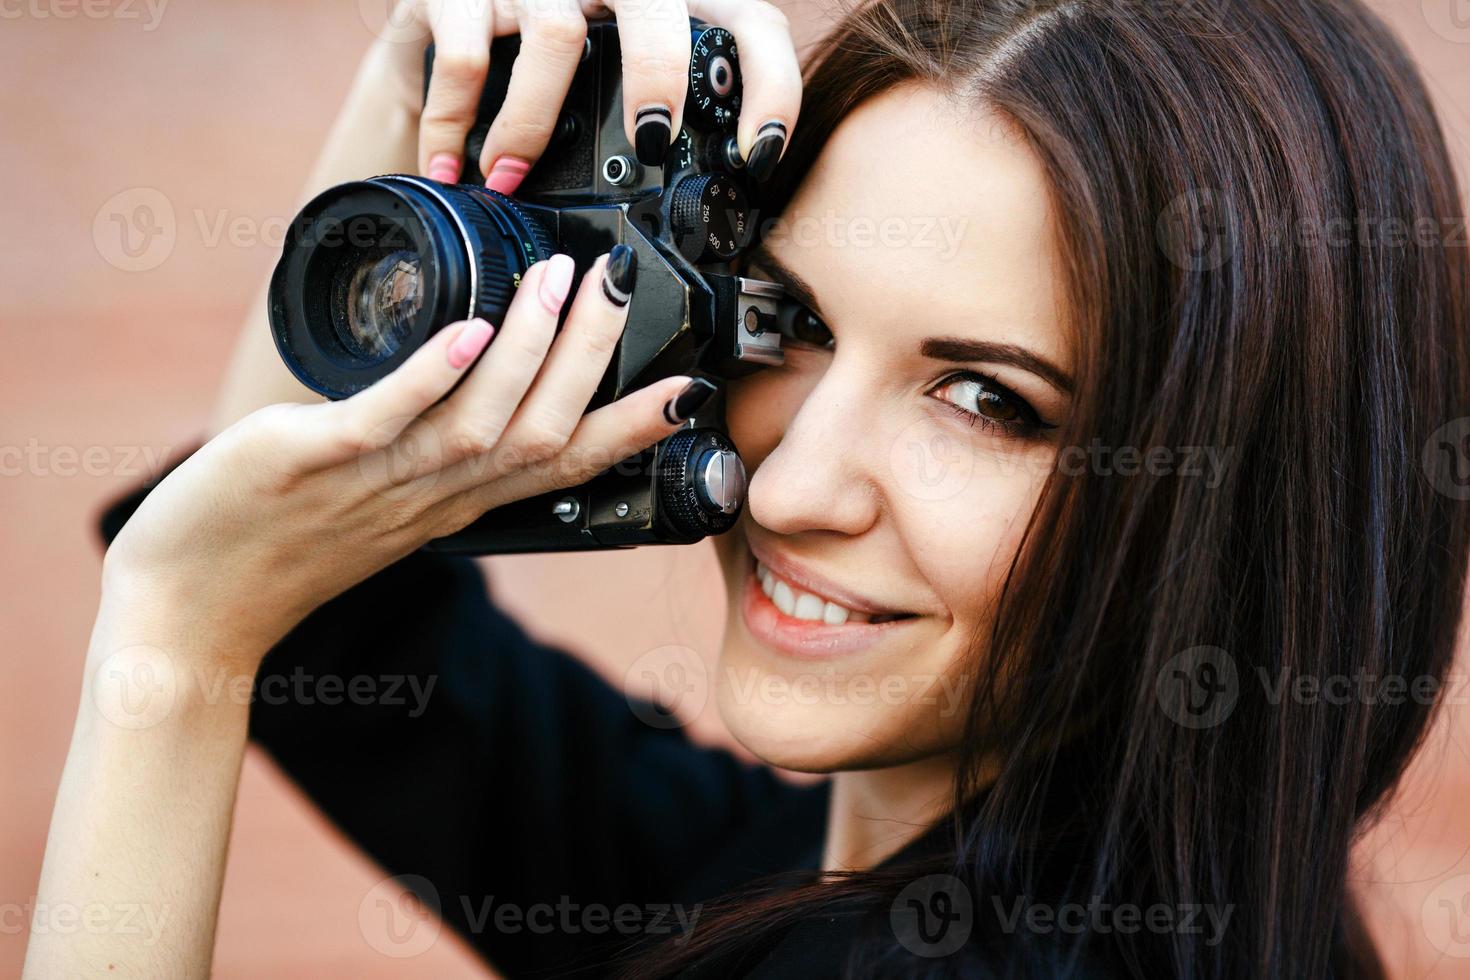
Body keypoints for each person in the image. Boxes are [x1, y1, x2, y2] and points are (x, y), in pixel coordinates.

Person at [25, 0, 1470, 976]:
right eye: (790, 321)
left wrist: (166, 643)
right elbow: (323, 621)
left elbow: (244, 615)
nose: (791, 487)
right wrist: (421, 82)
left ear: (1234, 502)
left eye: (986, 400)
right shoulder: (782, 870)